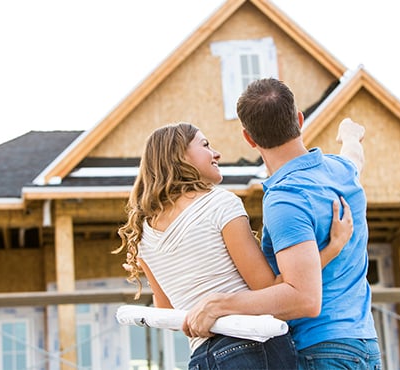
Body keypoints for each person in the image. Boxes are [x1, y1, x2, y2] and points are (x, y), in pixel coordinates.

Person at [115, 122, 354, 369]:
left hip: (201, 358)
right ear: (179, 156)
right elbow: (271, 288)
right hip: (252, 348)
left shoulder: (143, 233)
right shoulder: (219, 203)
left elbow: (167, 311)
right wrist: (332, 248)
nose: (216, 153)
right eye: (205, 145)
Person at [183, 78, 382, 369]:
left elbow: (303, 299)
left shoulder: (286, 200)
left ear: (249, 138)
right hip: (363, 346)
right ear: (299, 120)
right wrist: (350, 136)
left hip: (320, 350)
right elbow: (354, 156)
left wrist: (220, 304)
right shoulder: (341, 171)